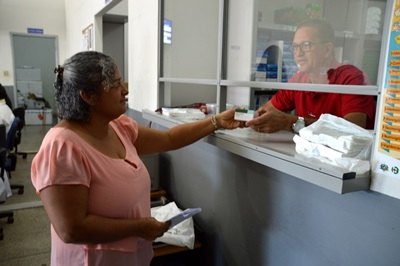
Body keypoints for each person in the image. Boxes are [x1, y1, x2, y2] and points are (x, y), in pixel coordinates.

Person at [30, 51, 241, 266]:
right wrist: (138, 227)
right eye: (115, 84)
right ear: (89, 96)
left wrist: (216, 122)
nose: (125, 91)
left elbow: (169, 139)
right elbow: (71, 229)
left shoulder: (117, 127)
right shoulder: (62, 146)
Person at [246, 19, 376, 133]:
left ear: (327, 50)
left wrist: (290, 122)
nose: (298, 53)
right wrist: (239, 115)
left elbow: (352, 129)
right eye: (295, 47)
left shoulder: (351, 78)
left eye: (306, 45)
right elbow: (262, 114)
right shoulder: (299, 81)